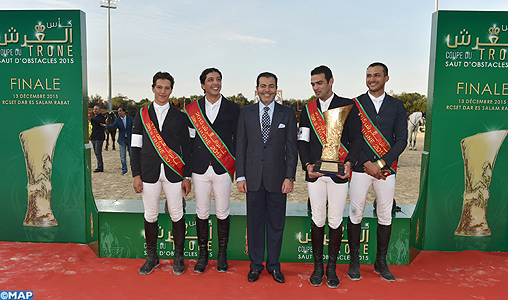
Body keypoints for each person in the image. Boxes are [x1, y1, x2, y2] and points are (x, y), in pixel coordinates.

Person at [297, 65, 363, 288]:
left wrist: (350, 163)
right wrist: (306, 164)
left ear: (331, 81)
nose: (316, 87)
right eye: (313, 84)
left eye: (320, 83)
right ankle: (318, 268)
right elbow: (302, 140)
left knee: (334, 220)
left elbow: (357, 139)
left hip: (338, 175)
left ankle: (332, 269)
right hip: (315, 173)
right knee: (317, 219)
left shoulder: (349, 106)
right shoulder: (307, 110)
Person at [348, 62, 407, 282]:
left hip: (386, 171)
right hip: (361, 169)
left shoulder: (397, 106)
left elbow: (401, 140)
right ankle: (354, 261)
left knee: (385, 214)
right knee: (356, 213)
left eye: (377, 75)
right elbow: (350, 138)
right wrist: (366, 163)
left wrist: (381, 164)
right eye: (369, 75)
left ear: (386, 78)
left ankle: (380, 262)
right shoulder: (355, 104)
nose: (372, 79)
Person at [236, 72, 298, 284]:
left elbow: (292, 148)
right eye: (263, 86)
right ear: (257, 88)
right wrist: (241, 176)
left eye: (271, 86)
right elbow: (241, 146)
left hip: (278, 179)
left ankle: (273, 265)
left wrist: (290, 176)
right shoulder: (245, 113)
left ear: (276, 88)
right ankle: (255, 266)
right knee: (254, 224)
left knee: (276, 224)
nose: (267, 90)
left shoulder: (287, 113)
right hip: (252, 178)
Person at [131, 71, 192, 276]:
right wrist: (136, 174)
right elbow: (135, 146)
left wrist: (187, 175)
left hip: (174, 172)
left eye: (167, 88)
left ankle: (178, 258)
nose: (163, 91)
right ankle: (152, 257)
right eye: (159, 87)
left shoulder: (180, 117)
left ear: (171, 90)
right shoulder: (142, 114)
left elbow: (187, 148)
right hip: (148, 172)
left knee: (177, 214)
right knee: (150, 215)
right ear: (153, 88)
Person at [185, 68, 240, 273]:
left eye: (218, 79)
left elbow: (238, 140)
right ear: (203, 85)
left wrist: (235, 164)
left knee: (223, 211)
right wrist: (187, 173)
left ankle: (222, 255)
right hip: (199, 169)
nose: (215, 83)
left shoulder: (234, 108)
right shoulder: (192, 109)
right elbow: (189, 143)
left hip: (223, 168)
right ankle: (203, 256)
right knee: (202, 212)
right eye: (210, 80)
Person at [103, 107, 133, 175]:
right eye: (118, 111)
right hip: (122, 139)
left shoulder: (130, 119)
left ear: (124, 112)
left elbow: (133, 127)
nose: (119, 112)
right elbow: (112, 126)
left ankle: (133, 167)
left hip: (130, 139)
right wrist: (106, 126)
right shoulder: (117, 120)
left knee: (131, 155)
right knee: (122, 156)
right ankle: (124, 170)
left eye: (120, 111)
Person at [89, 105, 106, 173]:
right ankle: (99, 165)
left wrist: (91, 119)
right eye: (94, 109)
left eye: (96, 109)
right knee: (96, 152)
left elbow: (99, 122)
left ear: (99, 110)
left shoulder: (101, 117)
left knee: (98, 152)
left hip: (99, 137)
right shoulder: (95, 117)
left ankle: (100, 167)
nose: (95, 110)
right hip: (94, 137)